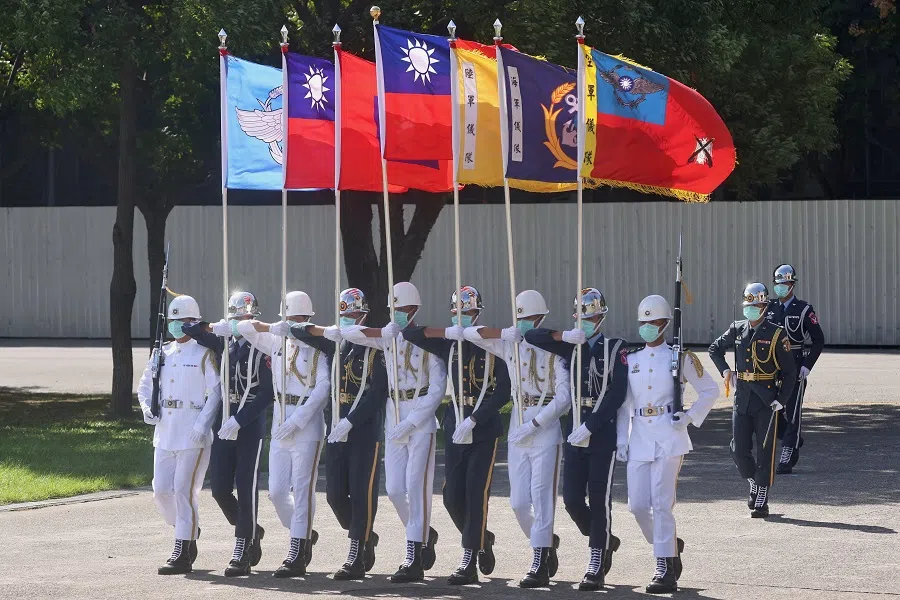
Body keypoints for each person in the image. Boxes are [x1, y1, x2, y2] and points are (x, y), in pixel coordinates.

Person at [336, 282, 447, 583]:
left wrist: (415, 420)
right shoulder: (387, 338)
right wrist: (383, 332)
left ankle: (413, 556)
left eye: (401, 309)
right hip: (394, 415)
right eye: (392, 309)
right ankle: (424, 535)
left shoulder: (426, 342)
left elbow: (437, 389)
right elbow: (349, 331)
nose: (395, 313)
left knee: (416, 488)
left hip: (419, 420)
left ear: (413, 309)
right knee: (395, 490)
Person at [402, 286, 511, 585]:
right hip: (454, 425)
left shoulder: (494, 346)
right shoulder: (449, 344)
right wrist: (449, 333)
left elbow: (503, 391)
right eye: (457, 312)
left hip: (483, 429)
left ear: (478, 313)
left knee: (476, 494)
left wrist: (476, 418)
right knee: (451, 497)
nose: (462, 316)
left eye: (468, 312)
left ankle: (469, 559)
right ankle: (482, 538)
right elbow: (411, 334)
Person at [464, 290, 571, 588]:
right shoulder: (510, 345)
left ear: (541, 319)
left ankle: (539, 559)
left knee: (541, 497)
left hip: (544, 429)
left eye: (530, 319)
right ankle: (545, 542)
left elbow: (564, 398)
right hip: (517, 427)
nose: (524, 324)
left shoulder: (555, 352)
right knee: (519, 503)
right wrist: (503, 332)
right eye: (520, 319)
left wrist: (537, 423)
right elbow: (468, 333)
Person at [525, 288, 628, 591]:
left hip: (601, 433)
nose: (587, 323)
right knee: (571, 499)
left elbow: (617, 393)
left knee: (599, 498)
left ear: (601, 318)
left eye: (592, 318)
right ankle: (604, 539)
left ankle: (596, 560)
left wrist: (592, 425)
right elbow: (531, 335)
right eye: (581, 318)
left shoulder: (615, 348)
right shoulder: (571, 347)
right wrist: (564, 336)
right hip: (574, 433)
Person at [617, 295, 719, 594]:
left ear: (665, 324)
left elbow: (710, 390)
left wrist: (688, 417)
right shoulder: (631, 359)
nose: (647, 327)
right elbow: (624, 404)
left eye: (653, 322)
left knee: (662, 505)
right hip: (639, 436)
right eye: (643, 322)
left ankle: (663, 566)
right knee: (637, 506)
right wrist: (622, 439)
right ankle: (670, 545)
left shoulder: (680, 357)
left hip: (669, 436)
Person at [286, 288, 387, 580]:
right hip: (336, 429)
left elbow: (377, 394)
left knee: (361, 493)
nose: (347, 319)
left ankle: (356, 553)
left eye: (353, 314)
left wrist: (351, 421)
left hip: (363, 430)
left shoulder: (376, 349)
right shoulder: (336, 345)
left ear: (363, 315)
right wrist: (322, 330)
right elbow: (299, 332)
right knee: (335, 496)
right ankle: (365, 534)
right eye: (343, 315)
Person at [235, 291, 329, 578]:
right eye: (287, 318)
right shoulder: (277, 341)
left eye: (297, 319)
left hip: (306, 426)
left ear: (307, 318)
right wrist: (271, 327)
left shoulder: (318, 348)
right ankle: (304, 533)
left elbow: (323, 389)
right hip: (279, 422)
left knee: (302, 490)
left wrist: (299, 420)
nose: (292, 323)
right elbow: (243, 327)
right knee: (276, 492)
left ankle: (297, 550)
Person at [181, 291, 274, 576]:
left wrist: (240, 420)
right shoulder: (225, 342)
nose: (238, 322)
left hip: (248, 427)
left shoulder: (263, 347)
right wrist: (212, 326)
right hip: (224, 425)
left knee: (246, 489)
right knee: (220, 489)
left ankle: (242, 547)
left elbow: (266, 393)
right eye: (234, 318)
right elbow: (189, 329)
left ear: (253, 317)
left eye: (243, 318)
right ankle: (251, 529)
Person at [137, 295, 221, 575]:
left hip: (192, 432)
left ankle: (182, 550)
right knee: (161, 491)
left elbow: (216, 392)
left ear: (193, 322)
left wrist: (202, 425)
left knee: (184, 491)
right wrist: (147, 408)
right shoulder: (162, 352)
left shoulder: (204, 353)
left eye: (182, 321)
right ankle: (188, 528)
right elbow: (145, 385)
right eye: (173, 321)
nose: (176, 326)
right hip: (165, 431)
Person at [709, 283, 797, 518]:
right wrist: (725, 371)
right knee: (738, 449)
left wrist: (782, 399)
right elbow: (715, 349)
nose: (751, 310)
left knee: (765, 450)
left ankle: (762, 498)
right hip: (743, 397)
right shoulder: (737, 328)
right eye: (748, 305)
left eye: (756, 306)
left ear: (764, 306)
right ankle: (753, 482)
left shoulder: (777, 334)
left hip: (767, 399)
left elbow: (790, 372)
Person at [766, 264, 825, 474]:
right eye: (778, 284)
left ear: (792, 284)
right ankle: (793, 437)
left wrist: (807, 365)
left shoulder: (803, 309)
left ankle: (788, 456)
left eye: (785, 284)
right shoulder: (769, 308)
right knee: (771, 410)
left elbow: (818, 340)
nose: (780, 287)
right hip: (772, 367)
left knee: (792, 412)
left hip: (794, 365)